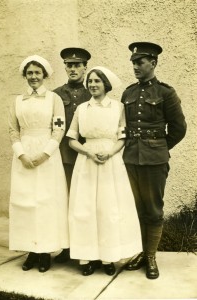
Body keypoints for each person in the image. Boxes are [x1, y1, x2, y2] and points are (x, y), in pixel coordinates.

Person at [66, 66, 142, 276]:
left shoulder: (117, 108)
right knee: (87, 209)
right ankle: (89, 258)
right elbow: (71, 139)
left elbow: (122, 138)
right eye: (90, 81)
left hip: (110, 163)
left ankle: (108, 258)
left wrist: (109, 153)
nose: (92, 85)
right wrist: (88, 153)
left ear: (106, 85)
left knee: (108, 209)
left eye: (97, 81)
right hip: (87, 164)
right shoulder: (82, 109)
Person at [121, 42, 187, 279]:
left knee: (153, 209)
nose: (135, 67)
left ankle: (151, 256)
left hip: (154, 161)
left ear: (153, 63)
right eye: (133, 63)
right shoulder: (128, 93)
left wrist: (159, 147)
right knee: (136, 208)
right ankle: (140, 252)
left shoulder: (166, 93)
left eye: (140, 62)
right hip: (130, 158)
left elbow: (179, 128)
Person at [8, 55, 69, 272]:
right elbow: (13, 130)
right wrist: (21, 154)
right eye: (30, 73)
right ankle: (31, 251)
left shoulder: (54, 99)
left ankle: (45, 252)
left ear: (44, 75)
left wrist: (45, 153)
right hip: (24, 156)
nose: (34, 77)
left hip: (47, 157)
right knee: (26, 203)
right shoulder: (17, 101)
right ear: (25, 75)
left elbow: (59, 129)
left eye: (37, 72)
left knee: (45, 202)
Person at [53, 47, 91, 263]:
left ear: (85, 68)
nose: (73, 69)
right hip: (65, 158)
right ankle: (67, 248)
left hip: (86, 158)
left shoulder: (92, 92)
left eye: (77, 65)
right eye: (69, 65)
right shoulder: (57, 95)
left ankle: (84, 247)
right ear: (65, 67)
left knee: (84, 203)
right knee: (66, 201)